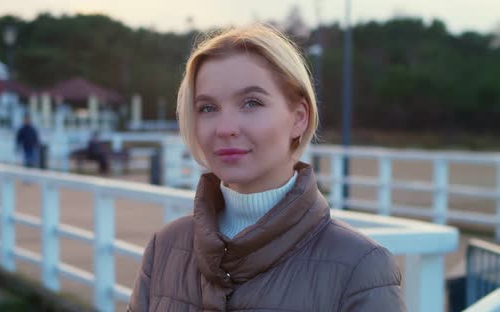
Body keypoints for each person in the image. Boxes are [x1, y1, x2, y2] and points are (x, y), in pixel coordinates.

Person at [128, 24, 405, 311]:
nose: (225, 129)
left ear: (298, 118)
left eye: (251, 103)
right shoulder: (165, 248)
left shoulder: (361, 267)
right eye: (207, 108)